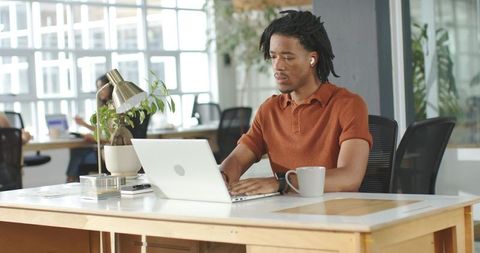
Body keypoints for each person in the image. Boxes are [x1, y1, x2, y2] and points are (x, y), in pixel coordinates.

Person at [220, 10, 372, 196]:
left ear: (312, 59)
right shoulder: (269, 110)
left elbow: (349, 178)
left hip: (336, 215)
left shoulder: (348, 105)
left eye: (287, 57)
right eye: (273, 56)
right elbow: (236, 160)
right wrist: (222, 178)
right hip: (286, 215)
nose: (277, 66)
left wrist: (282, 183)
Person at [66, 75, 112, 182]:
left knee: (77, 154)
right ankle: (73, 180)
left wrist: (94, 138)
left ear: (111, 88)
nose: (99, 91)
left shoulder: (114, 108)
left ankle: (71, 180)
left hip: (106, 152)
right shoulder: (105, 108)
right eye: (98, 88)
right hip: (101, 149)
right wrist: (84, 124)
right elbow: (103, 130)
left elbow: (112, 136)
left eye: (102, 88)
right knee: (78, 153)